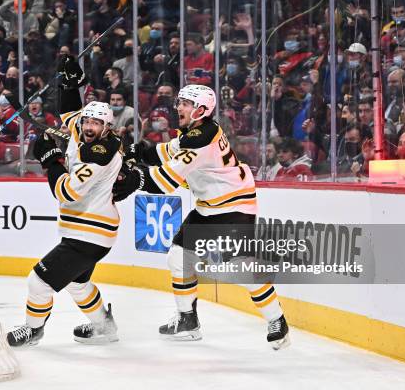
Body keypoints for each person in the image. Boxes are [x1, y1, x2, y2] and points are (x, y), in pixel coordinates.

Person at [113, 85, 290, 350]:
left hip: (234, 207)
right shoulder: (197, 132)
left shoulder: (200, 141)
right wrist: (135, 152)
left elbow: (163, 182)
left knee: (243, 267)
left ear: (200, 109)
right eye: (180, 102)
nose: (178, 107)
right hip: (209, 207)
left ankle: (278, 321)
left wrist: (132, 176)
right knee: (179, 256)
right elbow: (167, 151)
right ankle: (187, 321)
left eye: (185, 103)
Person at [7, 55, 121, 347]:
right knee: (77, 282)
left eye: (97, 123)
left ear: (107, 128)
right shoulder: (82, 130)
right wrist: (69, 83)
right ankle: (104, 327)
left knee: (38, 281)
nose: (89, 126)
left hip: (90, 233)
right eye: (88, 120)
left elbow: (66, 192)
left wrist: (51, 161)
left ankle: (33, 330)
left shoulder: (101, 153)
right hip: (86, 230)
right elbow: (70, 113)